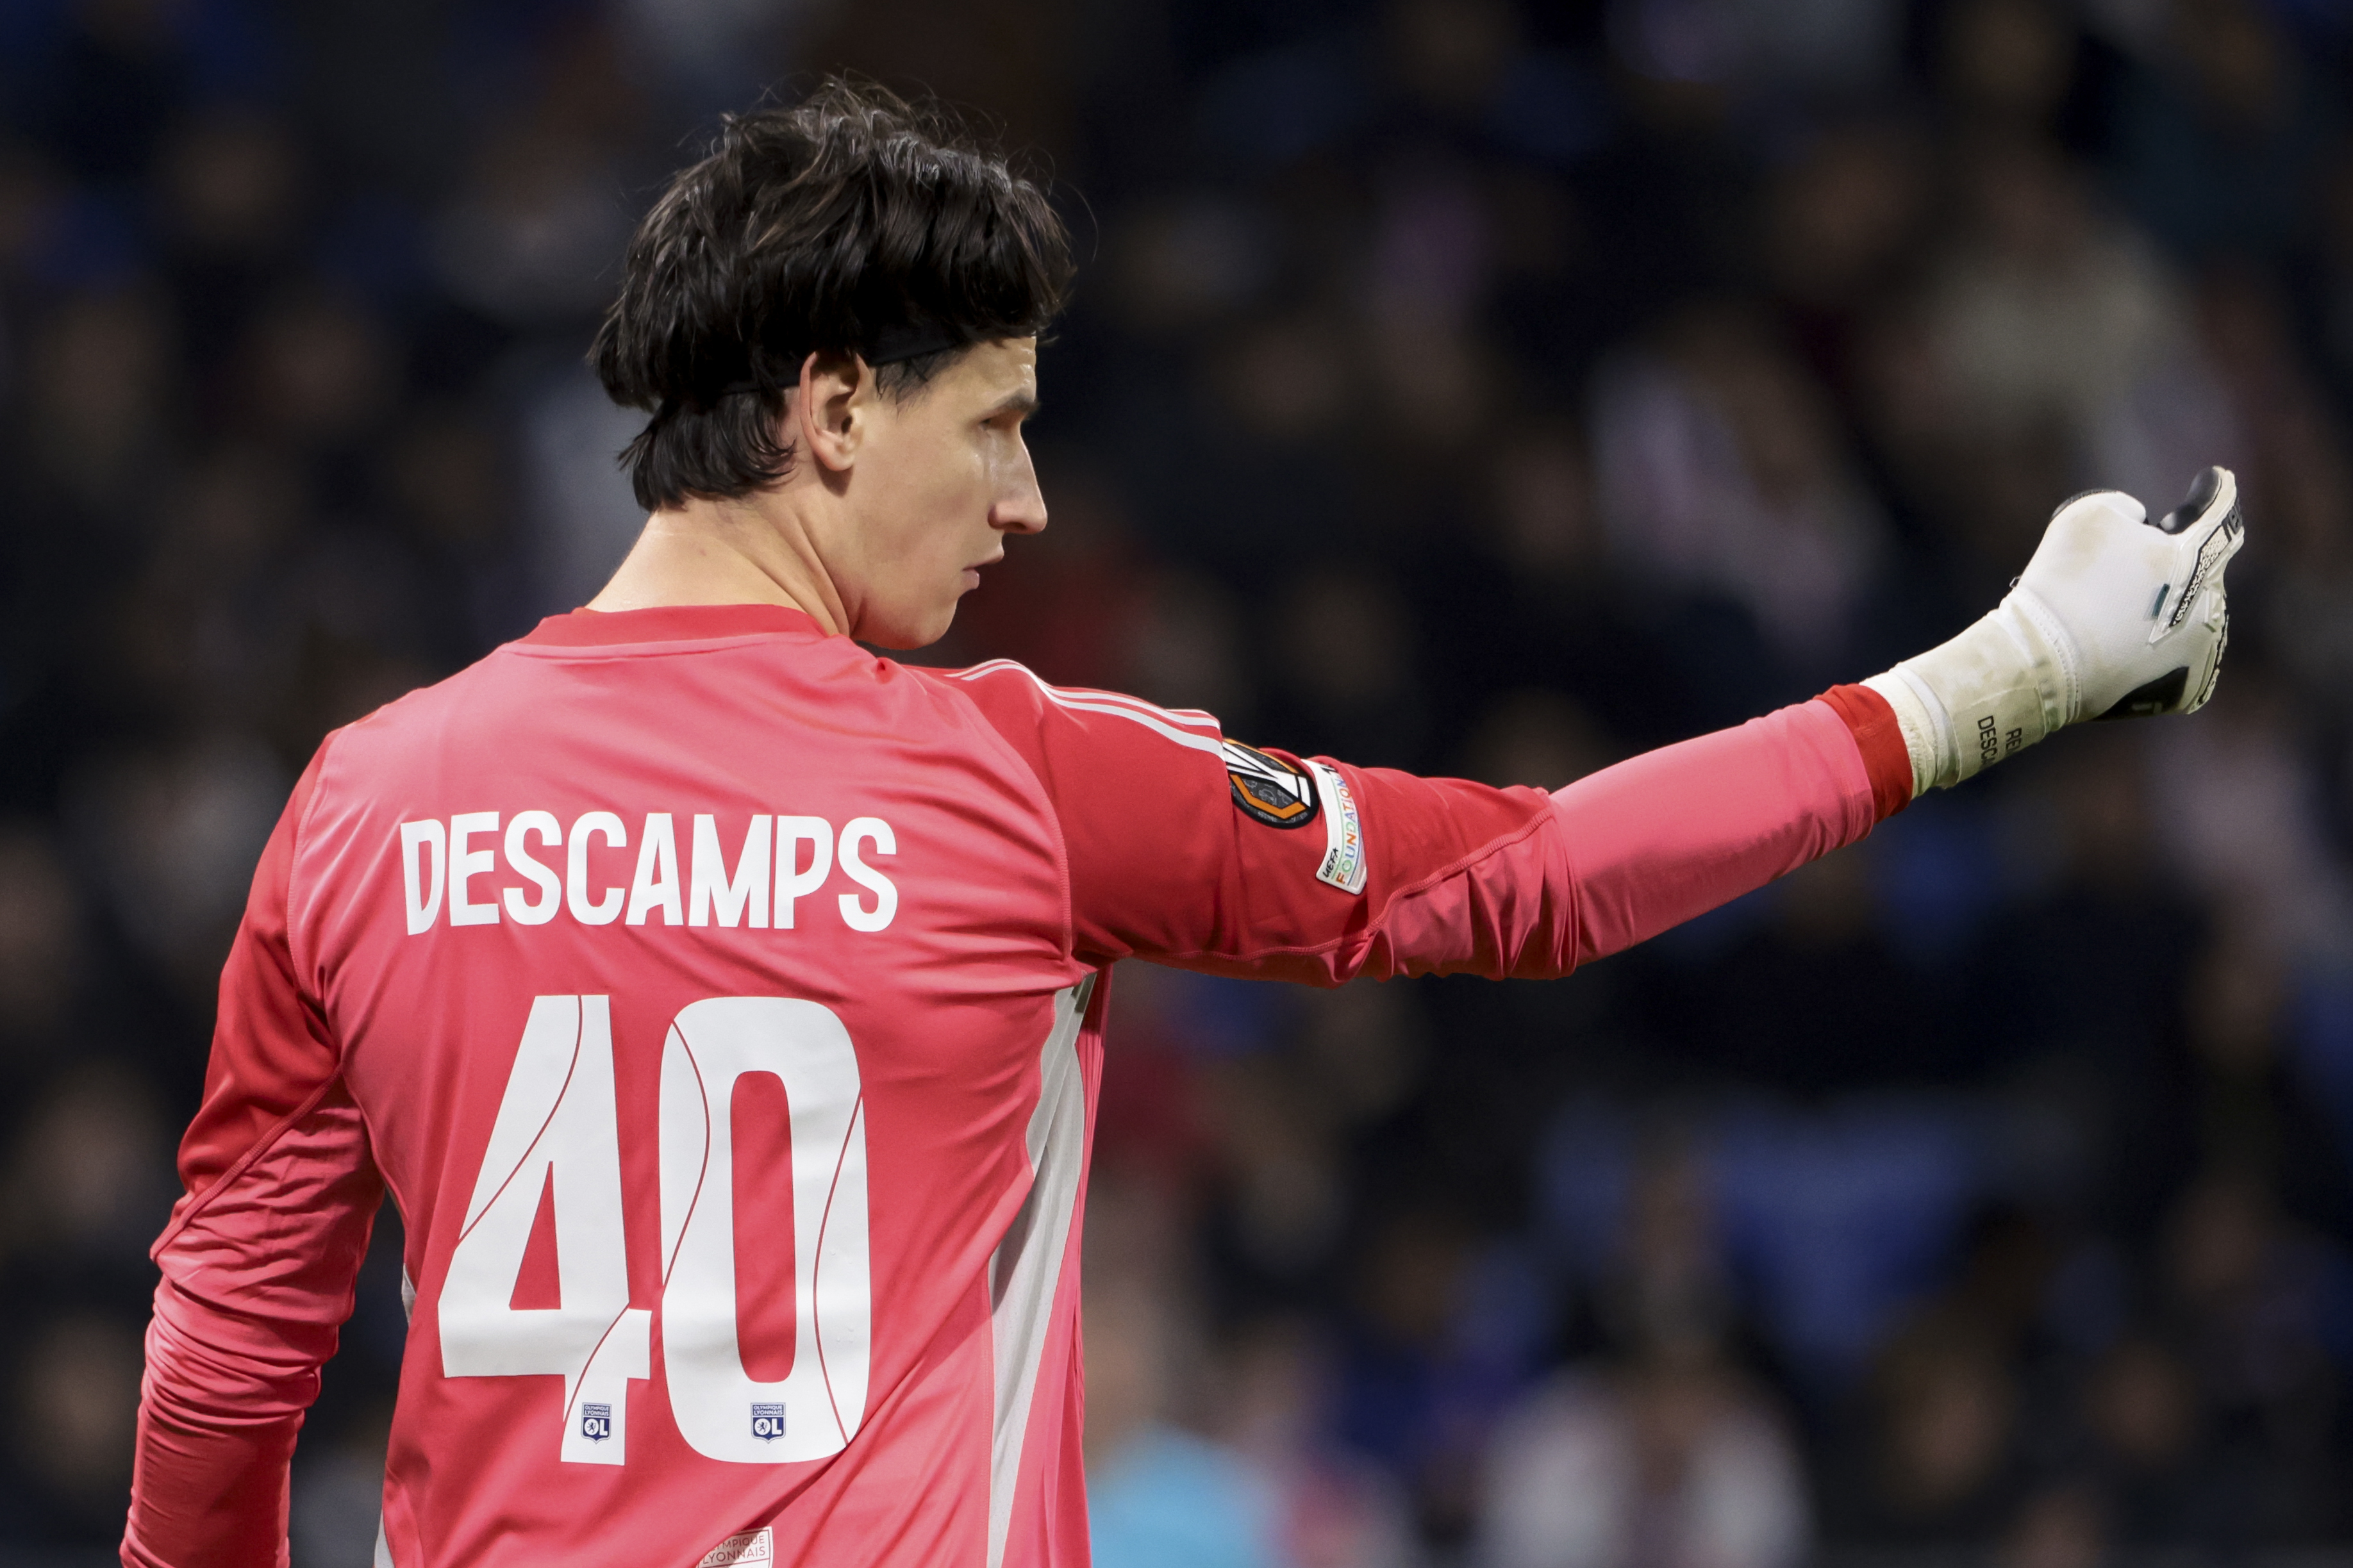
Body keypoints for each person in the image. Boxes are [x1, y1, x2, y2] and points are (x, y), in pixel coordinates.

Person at [119, 79, 2244, 1568]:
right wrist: (2003, 679)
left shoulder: (365, 807)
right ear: (836, 408)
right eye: (1001, 424)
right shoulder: (1010, 783)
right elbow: (1526, 881)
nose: (1030, 504)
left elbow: (223, 1376)